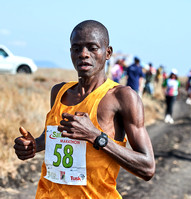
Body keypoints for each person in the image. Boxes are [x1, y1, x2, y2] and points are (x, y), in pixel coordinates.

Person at [14, 20, 155, 199]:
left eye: (92, 47)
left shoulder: (122, 97)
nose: (83, 54)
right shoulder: (59, 92)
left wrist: (95, 136)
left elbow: (147, 167)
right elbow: (55, 137)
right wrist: (34, 145)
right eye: (76, 48)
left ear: (108, 52)